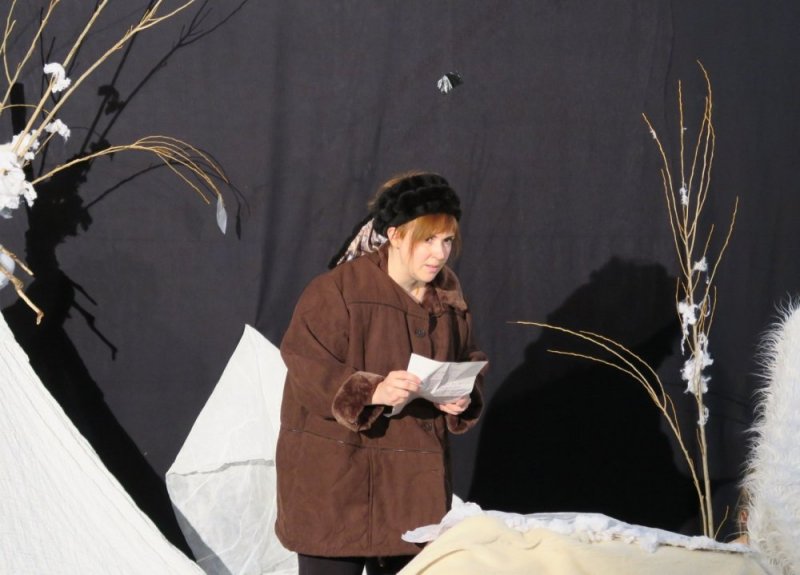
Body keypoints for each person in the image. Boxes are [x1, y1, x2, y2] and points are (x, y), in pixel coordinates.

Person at [275, 172, 488, 575]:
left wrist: (463, 394)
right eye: (428, 239)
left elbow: (469, 354)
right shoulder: (338, 290)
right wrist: (370, 391)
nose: (440, 253)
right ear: (394, 234)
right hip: (338, 484)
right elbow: (306, 363)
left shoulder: (448, 296)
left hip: (410, 492)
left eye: (446, 241)